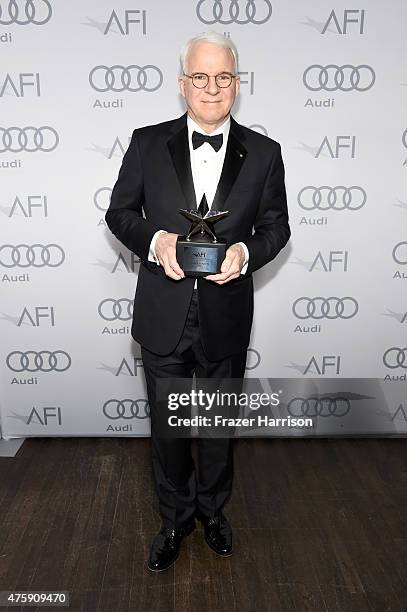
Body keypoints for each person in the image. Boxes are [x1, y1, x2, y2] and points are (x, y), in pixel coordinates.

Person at [105, 31, 291, 572]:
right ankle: (174, 519)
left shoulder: (266, 153)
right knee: (168, 430)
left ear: (238, 82)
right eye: (201, 78)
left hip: (225, 314)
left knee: (215, 427)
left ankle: (212, 512)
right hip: (162, 314)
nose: (212, 88)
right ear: (183, 83)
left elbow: (276, 229)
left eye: (224, 77)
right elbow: (120, 215)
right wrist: (155, 241)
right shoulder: (146, 142)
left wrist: (244, 253)